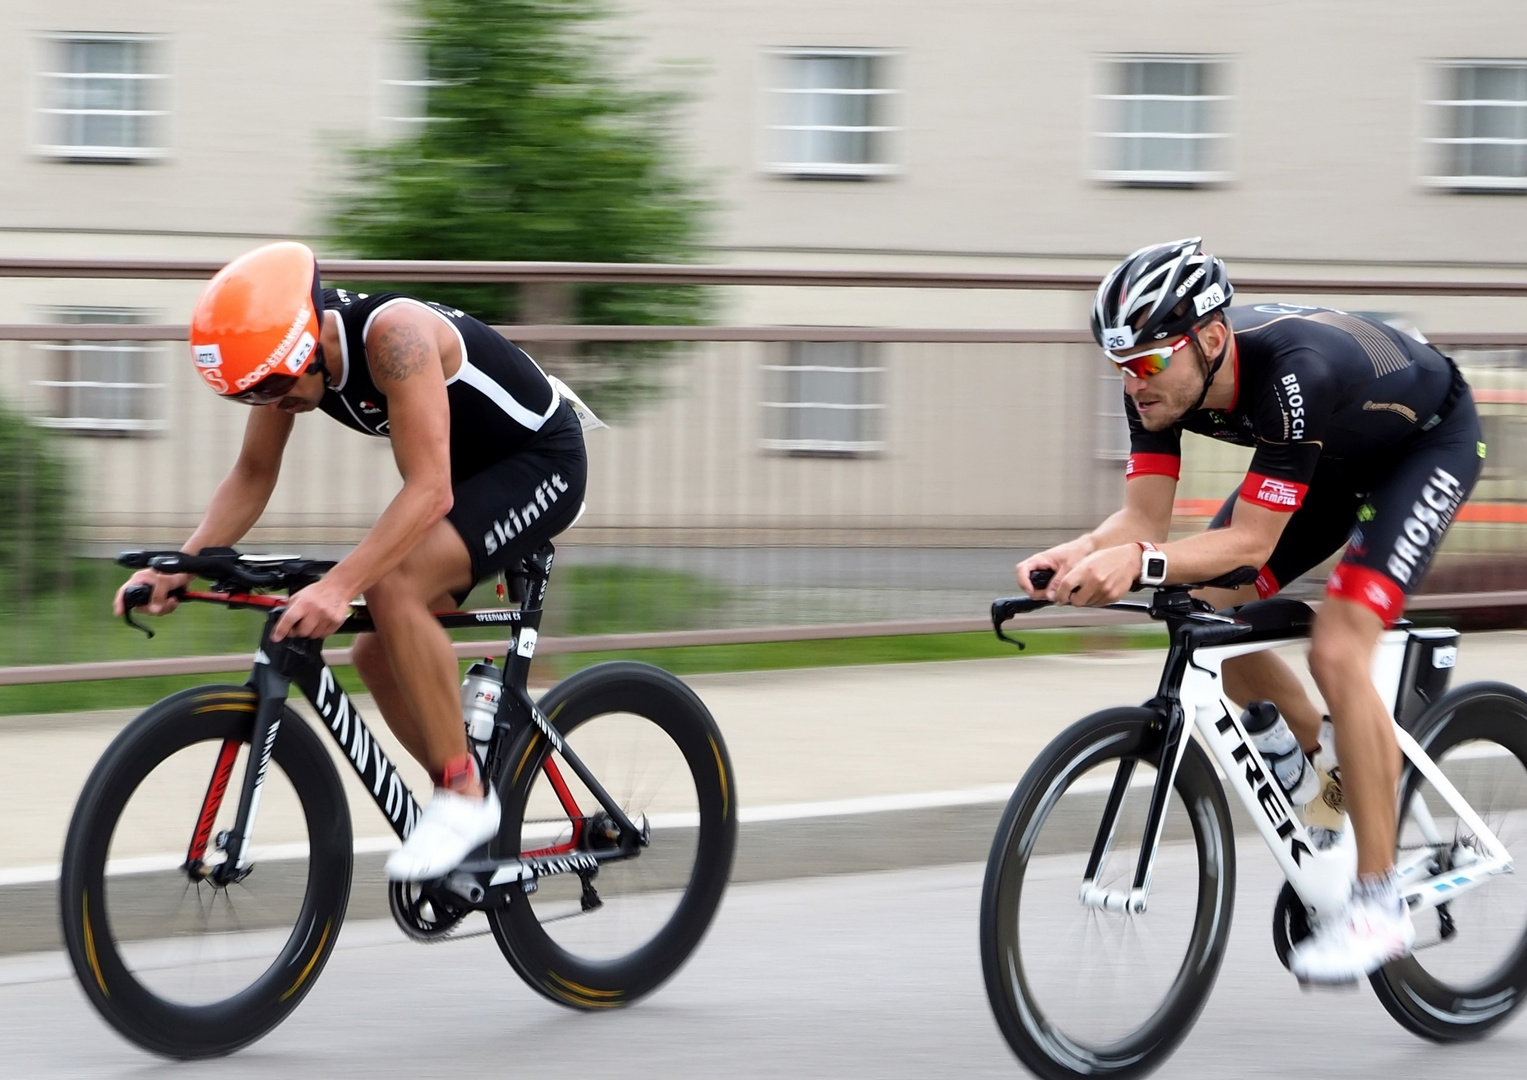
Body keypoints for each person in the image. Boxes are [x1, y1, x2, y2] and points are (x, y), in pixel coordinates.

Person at [1016, 237, 1481, 984]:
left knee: (1336, 648)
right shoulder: (1157, 384)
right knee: (1199, 608)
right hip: (1327, 460)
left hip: (1422, 449)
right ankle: (1312, 772)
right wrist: (1075, 555)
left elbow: (1252, 541)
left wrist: (1136, 564)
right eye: (1120, 367)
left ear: (1206, 338)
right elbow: (1141, 524)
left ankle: (1378, 899)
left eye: (1145, 363)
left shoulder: (1292, 373)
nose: (1133, 384)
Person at [113, 241, 594, 882]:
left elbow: (430, 490)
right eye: (254, 398)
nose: (274, 405)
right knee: (375, 647)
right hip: (470, 476)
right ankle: (466, 805)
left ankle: (464, 797)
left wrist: (340, 586)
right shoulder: (283, 369)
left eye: (280, 389)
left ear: (309, 342)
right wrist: (180, 564)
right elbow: (253, 475)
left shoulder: (395, 338)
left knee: (390, 589)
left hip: (541, 464)